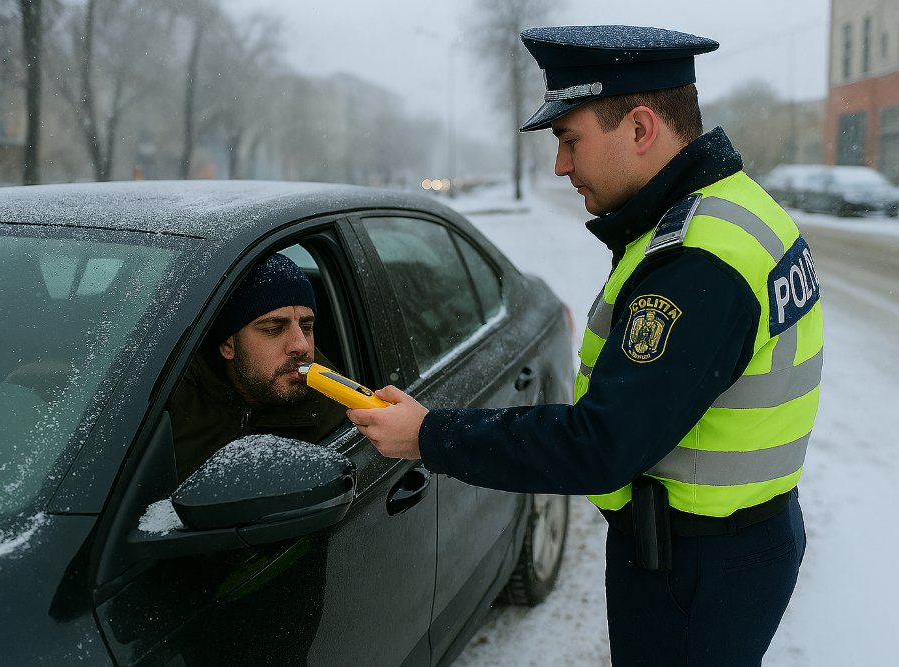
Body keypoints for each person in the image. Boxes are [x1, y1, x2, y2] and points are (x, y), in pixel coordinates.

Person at [348, 24, 823, 665]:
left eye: (570, 140)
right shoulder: (732, 209)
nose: (561, 165)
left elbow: (601, 447)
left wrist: (428, 435)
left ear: (640, 128)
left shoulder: (697, 264)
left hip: (696, 568)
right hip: (730, 543)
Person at [170, 253, 347, 482]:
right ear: (227, 345)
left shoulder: (335, 409)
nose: (302, 346)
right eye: (274, 328)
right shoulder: (169, 407)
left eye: (306, 327)